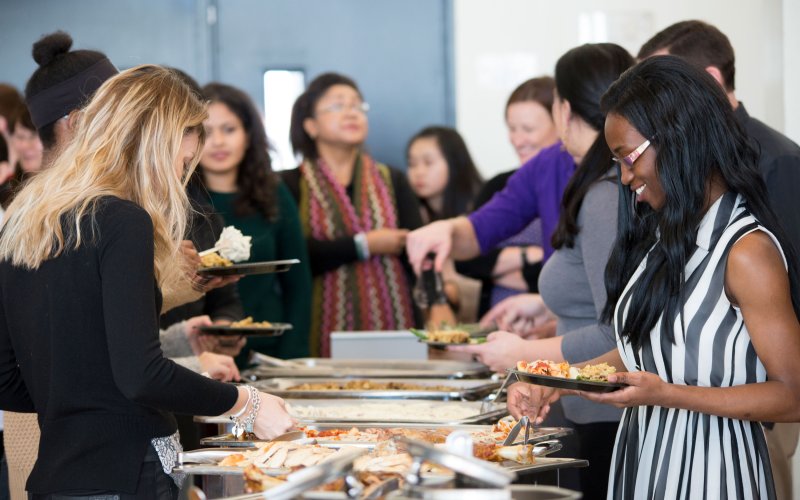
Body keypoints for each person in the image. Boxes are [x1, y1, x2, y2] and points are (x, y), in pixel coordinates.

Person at [510, 55, 800, 500]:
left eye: (628, 158)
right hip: (647, 462)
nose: (624, 178)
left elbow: (792, 395)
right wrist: (556, 381)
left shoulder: (746, 252)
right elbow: (642, 356)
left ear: (678, 140)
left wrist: (668, 395)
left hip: (712, 476)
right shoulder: (670, 235)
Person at [0, 65, 295, 499]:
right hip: (128, 471)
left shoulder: (28, 219)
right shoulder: (122, 220)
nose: (179, 178)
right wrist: (245, 404)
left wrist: (77, 402)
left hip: (57, 478)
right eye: (182, 162)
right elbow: (141, 375)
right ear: (157, 144)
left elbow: (8, 379)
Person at [637, 21, 800, 500]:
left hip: (756, 395)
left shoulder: (774, 158)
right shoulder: (692, 165)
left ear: (709, 78)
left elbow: (783, 281)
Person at [282, 72, 422, 356]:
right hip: (313, 325)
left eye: (357, 106)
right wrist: (364, 245)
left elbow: (416, 249)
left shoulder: (392, 179)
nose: (351, 113)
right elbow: (296, 257)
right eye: (337, 106)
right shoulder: (289, 184)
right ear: (310, 126)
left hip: (396, 322)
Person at [196, 82, 313, 363]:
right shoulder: (178, 197)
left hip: (267, 349)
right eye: (205, 132)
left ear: (249, 135)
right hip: (198, 352)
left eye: (229, 129)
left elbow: (298, 283)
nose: (219, 142)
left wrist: (292, 356)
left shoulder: (273, 191)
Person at [458, 77, 559, 316]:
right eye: (512, 128)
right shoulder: (498, 184)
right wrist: (528, 256)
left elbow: (571, 273)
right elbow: (467, 260)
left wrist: (505, 271)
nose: (517, 139)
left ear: (563, 124)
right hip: (494, 325)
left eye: (528, 129)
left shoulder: (574, 187)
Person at [406, 126, 483, 322]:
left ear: (454, 162)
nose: (419, 172)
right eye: (412, 164)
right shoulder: (411, 216)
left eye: (428, 162)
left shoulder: (480, 212)